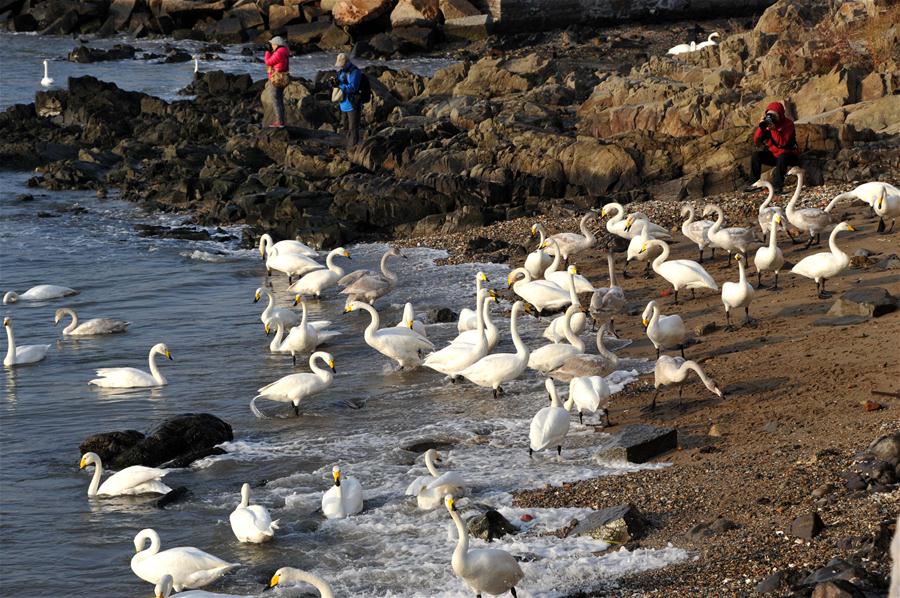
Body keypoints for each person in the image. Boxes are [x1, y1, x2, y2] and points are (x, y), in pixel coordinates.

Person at [748, 101, 800, 193]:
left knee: (782, 157)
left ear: (779, 115)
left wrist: (773, 130)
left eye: (774, 115)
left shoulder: (788, 124)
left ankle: (777, 187)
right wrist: (761, 126)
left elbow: (782, 143)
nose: (771, 118)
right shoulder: (767, 124)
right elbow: (757, 141)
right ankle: (754, 184)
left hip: (790, 156)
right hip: (775, 155)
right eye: (769, 115)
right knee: (756, 155)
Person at [334, 53, 362, 147]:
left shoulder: (355, 72)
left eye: (342, 65)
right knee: (345, 127)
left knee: (353, 128)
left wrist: (340, 85)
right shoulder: (341, 71)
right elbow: (339, 83)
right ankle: (347, 146)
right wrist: (333, 83)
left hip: (352, 104)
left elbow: (353, 87)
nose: (340, 67)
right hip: (343, 104)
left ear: (347, 62)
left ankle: (353, 148)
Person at [264, 36, 289, 128]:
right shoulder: (284, 51)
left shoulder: (278, 53)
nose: (271, 46)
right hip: (282, 78)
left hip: (276, 78)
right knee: (279, 100)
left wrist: (267, 52)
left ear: (277, 44)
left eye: (272, 44)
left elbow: (268, 62)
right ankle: (281, 121)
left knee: (275, 100)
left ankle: (279, 122)